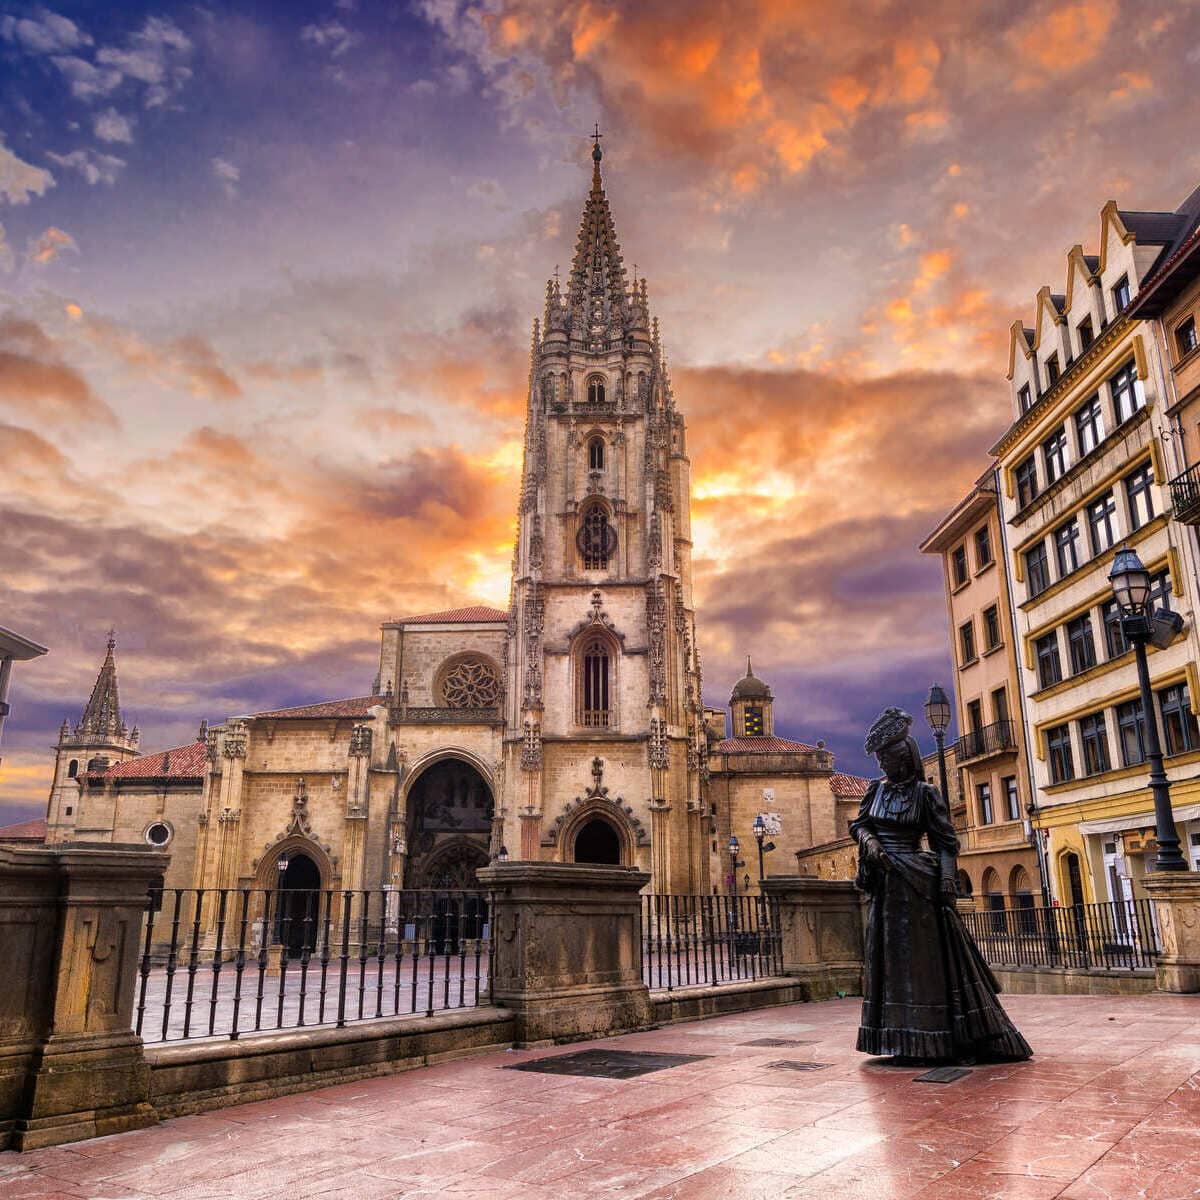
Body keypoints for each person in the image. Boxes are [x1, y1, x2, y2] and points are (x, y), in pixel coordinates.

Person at [851, 706, 1031, 1063]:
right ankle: (898, 1039)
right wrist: (870, 843)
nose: (884, 765)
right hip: (886, 888)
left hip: (917, 887)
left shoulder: (925, 794)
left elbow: (946, 843)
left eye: (889, 758)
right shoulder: (875, 792)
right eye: (881, 759)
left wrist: (947, 881)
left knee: (924, 965)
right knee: (890, 964)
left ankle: (934, 1038)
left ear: (904, 757)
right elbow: (858, 825)